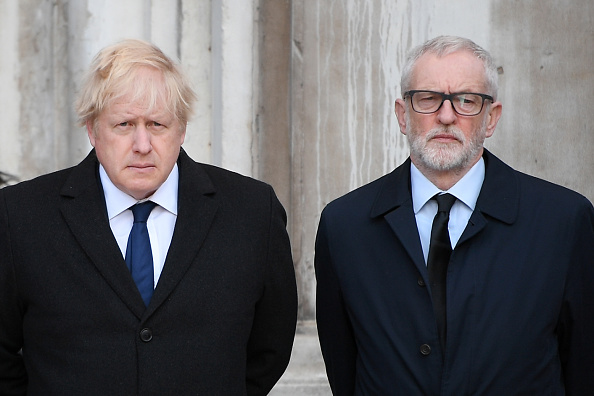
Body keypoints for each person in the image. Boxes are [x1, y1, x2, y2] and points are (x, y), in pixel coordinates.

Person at [0, 39, 297, 395]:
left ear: (182, 130)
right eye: (124, 124)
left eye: (157, 124)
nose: (142, 144)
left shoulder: (251, 211)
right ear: (92, 130)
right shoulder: (20, 215)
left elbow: (270, 348)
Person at [315, 35, 594, 395]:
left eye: (466, 100)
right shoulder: (345, 225)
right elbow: (344, 368)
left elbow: (584, 368)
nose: (446, 116)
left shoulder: (564, 222)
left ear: (491, 118)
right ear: (403, 114)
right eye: (428, 99)